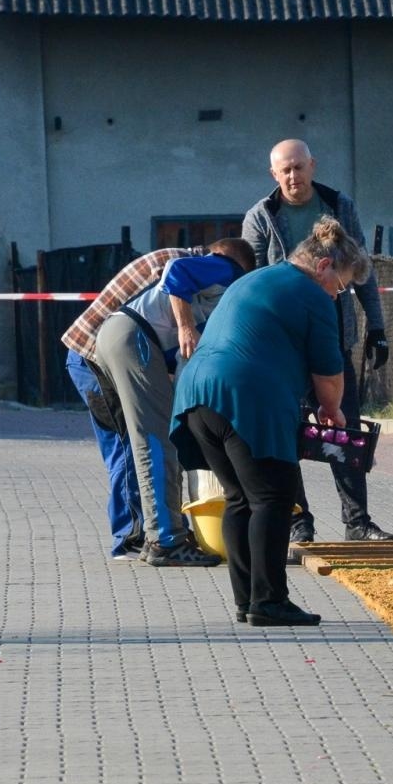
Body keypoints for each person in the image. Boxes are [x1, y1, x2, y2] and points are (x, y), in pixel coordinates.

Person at [171, 218, 369, 627]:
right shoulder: (312, 294)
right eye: (341, 284)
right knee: (273, 497)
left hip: (195, 395)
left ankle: (247, 600)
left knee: (240, 498)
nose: (338, 294)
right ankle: (269, 601)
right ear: (324, 266)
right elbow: (329, 374)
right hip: (246, 396)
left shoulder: (257, 277)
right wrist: (333, 410)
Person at [242, 139, 393, 544]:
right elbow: (253, 280)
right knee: (287, 433)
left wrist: (377, 327)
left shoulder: (338, 205)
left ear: (312, 165)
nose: (293, 176)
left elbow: (361, 266)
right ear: (274, 175)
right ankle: (298, 522)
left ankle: (357, 522)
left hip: (333, 337)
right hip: (284, 347)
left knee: (345, 429)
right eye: (285, 170)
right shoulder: (261, 216)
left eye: (299, 167)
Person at [61, 240, 252, 561]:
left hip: (112, 338)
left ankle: (154, 533)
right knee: (155, 440)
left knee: (151, 438)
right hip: (121, 341)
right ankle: (164, 541)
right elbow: (177, 273)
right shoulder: (226, 267)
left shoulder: (200, 288)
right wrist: (186, 327)